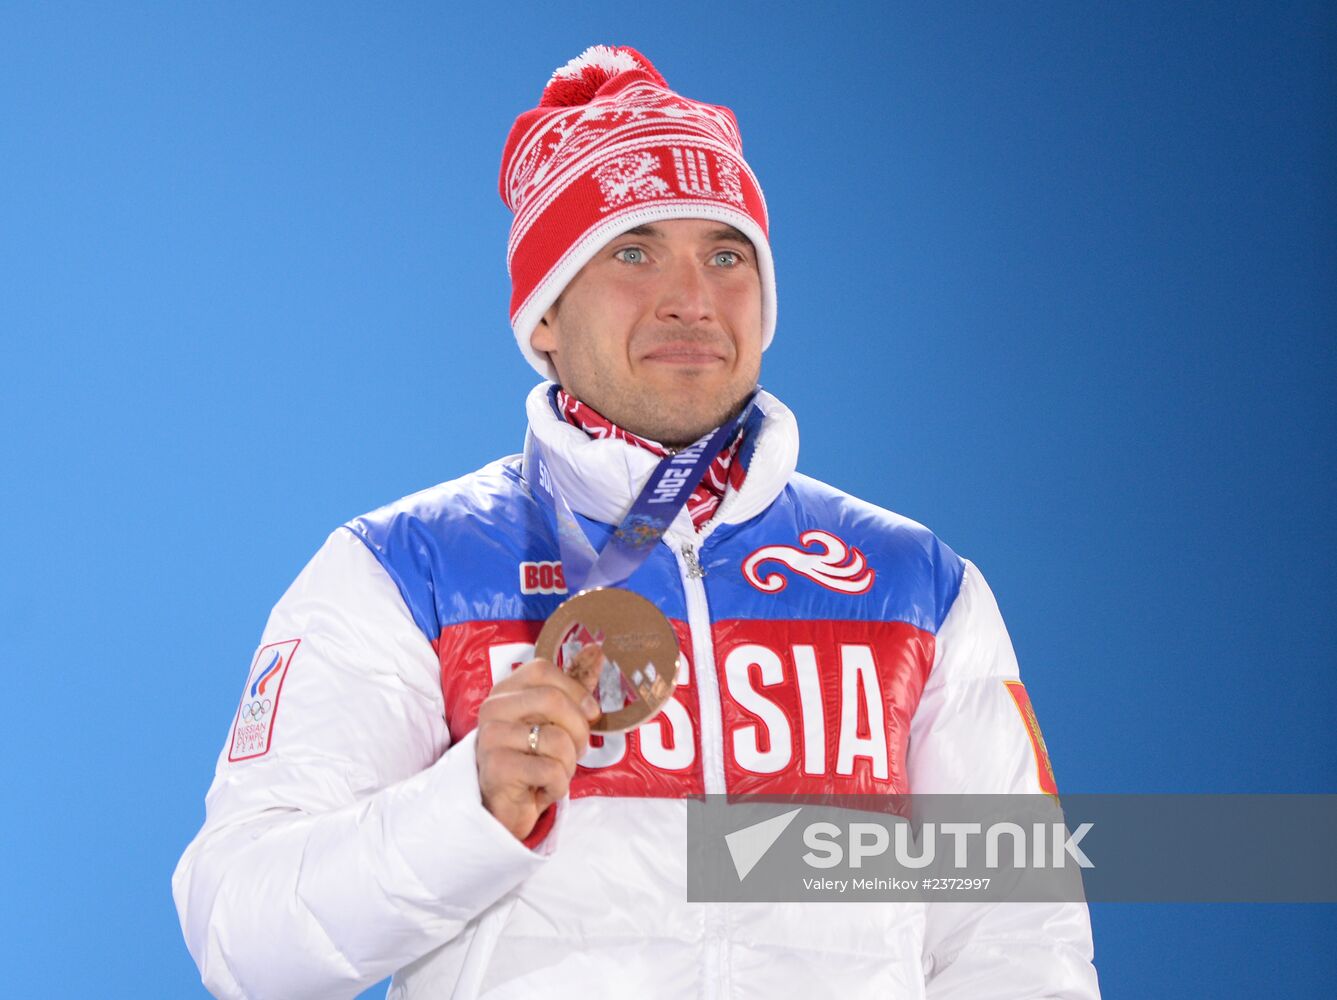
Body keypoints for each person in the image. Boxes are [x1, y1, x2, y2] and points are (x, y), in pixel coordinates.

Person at [173, 44, 1100, 999]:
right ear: (543, 315)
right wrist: (467, 810)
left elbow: (1018, 943)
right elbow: (244, 940)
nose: (692, 298)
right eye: (633, 250)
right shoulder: (409, 572)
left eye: (726, 255)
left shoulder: (915, 587)